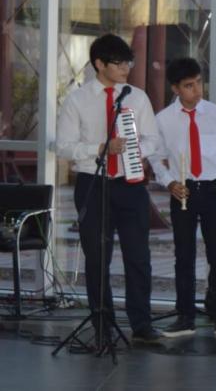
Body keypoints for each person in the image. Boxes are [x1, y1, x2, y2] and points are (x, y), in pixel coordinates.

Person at [55, 33, 164, 345]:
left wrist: (134, 151)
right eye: (118, 63)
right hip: (93, 183)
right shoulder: (77, 99)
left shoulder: (137, 96)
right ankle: (102, 322)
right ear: (99, 64)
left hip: (130, 185)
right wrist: (101, 147)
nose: (125, 68)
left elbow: (152, 139)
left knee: (138, 256)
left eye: (127, 61)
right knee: (97, 257)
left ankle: (141, 323)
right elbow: (64, 146)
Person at [148, 58, 216, 341]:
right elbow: (155, 156)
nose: (197, 90)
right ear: (176, 89)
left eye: (199, 82)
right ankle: (185, 316)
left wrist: (209, 173)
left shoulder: (215, 114)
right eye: (189, 86)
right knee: (183, 255)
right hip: (182, 190)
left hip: (212, 189)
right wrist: (170, 182)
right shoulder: (163, 119)